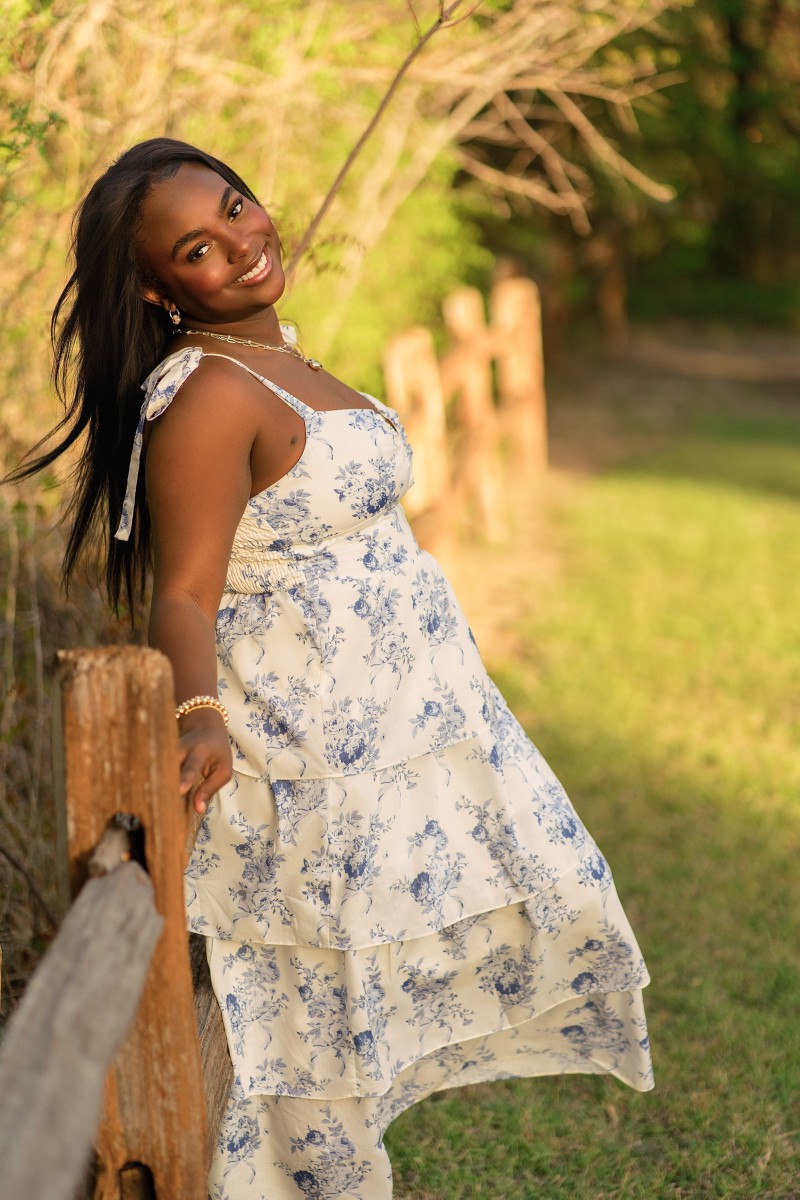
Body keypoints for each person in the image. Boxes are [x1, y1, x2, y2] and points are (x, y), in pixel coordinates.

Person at [17, 138, 652, 1198]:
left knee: (366, 1020)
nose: (242, 243)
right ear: (157, 287)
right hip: (304, 757)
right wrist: (202, 716)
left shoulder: (278, 359)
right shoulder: (211, 394)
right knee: (308, 1052)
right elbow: (183, 591)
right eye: (199, 248)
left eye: (236, 208)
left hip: (396, 733)